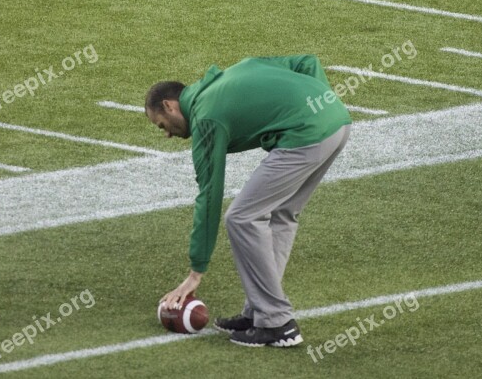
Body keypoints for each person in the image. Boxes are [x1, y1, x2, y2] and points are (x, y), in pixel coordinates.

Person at [146, 54, 351, 346]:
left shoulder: (205, 118)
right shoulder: (231, 74)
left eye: (161, 124)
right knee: (281, 214)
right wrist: (321, 104)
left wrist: (195, 272)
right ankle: (260, 312)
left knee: (241, 217)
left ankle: (277, 323)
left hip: (306, 136)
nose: (166, 134)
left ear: (169, 105)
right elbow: (307, 63)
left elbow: (209, 195)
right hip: (338, 123)